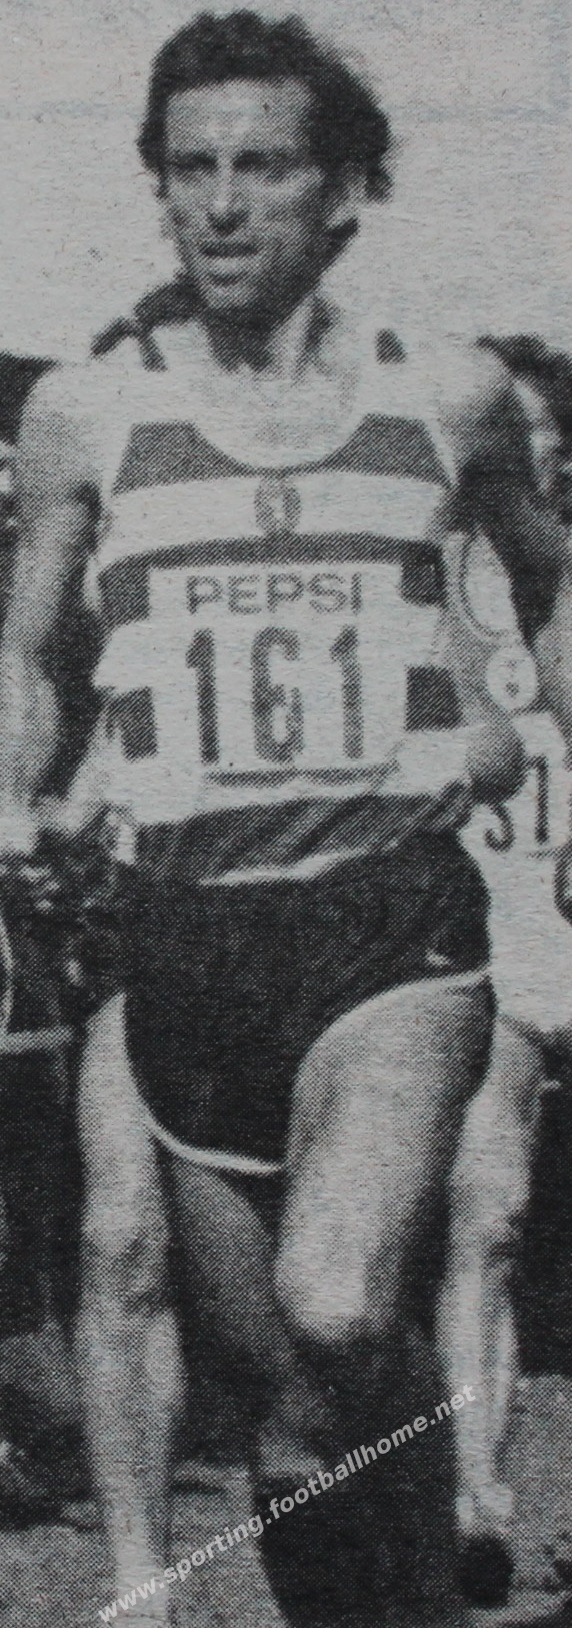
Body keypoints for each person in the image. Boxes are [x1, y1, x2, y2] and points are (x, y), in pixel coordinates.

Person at [0, 15, 532, 1625]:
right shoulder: (89, 415)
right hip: (191, 941)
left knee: (338, 1300)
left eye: (262, 166)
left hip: (389, 921)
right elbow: (29, 657)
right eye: (191, 170)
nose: (221, 204)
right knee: (291, 1423)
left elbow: (552, 583)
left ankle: (436, 1507)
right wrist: (18, 789)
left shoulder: (450, 394)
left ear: (345, 189)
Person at [439, 335, 572, 1613]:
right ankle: (475, 1497)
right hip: (492, 932)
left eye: (537, 441)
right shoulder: (415, 587)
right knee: (485, 1218)